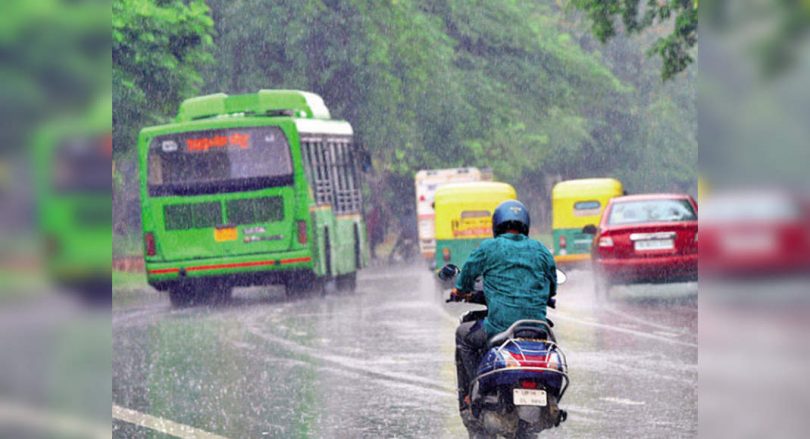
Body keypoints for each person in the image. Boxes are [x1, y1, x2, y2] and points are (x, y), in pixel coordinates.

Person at [451, 199, 557, 411]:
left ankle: (475, 388)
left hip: (498, 328)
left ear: (496, 225)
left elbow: (466, 277)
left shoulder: (489, 248)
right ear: (525, 225)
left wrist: (460, 291)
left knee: (463, 335)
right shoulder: (541, 250)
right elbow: (552, 287)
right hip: (537, 328)